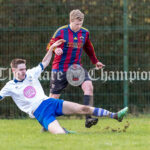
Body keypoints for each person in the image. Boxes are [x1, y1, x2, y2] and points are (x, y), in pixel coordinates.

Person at [0, 39, 128, 134]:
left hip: (50, 102)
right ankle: (65, 131)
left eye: (24, 69)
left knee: (83, 108)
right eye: (21, 70)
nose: (24, 71)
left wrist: (51, 49)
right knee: (60, 134)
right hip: (41, 112)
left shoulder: (30, 74)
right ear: (13, 70)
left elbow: (44, 63)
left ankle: (115, 115)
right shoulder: (10, 86)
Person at [46, 9, 105, 128]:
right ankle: (46, 123)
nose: (79, 26)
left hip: (76, 68)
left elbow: (88, 47)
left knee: (88, 86)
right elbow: (49, 46)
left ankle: (88, 118)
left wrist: (95, 61)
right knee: (53, 98)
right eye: (77, 24)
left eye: (81, 23)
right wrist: (54, 49)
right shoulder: (61, 31)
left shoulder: (84, 33)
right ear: (71, 21)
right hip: (60, 69)